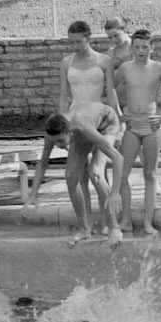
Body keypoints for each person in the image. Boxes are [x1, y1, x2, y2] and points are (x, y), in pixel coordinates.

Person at [115, 29, 161, 235]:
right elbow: (110, 88)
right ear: (131, 48)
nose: (140, 51)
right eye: (136, 47)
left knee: (150, 174)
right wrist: (118, 112)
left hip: (152, 126)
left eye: (145, 47)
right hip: (131, 127)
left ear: (151, 49)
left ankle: (147, 222)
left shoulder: (158, 68)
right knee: (123, 173)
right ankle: (126, 219)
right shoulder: (125, 69)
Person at [26, 102, 126, 246]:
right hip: (84, 127)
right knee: (71, 176)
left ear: (70, 132)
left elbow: (118, 158)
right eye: (55, 142)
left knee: (95, 173)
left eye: (60, 141)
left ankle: (115, 228)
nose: (58, 146)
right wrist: (33, 193)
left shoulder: (83, 128)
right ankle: (85, 229)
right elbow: (43, 163)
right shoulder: (51, 134)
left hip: (106, 123)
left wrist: (115, 192)